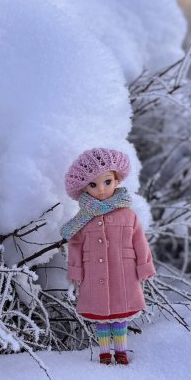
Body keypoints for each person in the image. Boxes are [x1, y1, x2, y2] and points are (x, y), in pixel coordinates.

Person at [60, 148, 155, 365]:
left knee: (121, 313)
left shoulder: (127, 214)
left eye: (107, 181)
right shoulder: (82, 219)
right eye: (93, 185)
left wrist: (144, 267)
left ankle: (121, 351)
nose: (101, 189)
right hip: (94, 273)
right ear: (84, 188)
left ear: (117, 179)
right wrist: (75, 270)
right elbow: (75, 244)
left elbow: (139, 241)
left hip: (124, 272)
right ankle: (104, 353)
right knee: (100, 314)